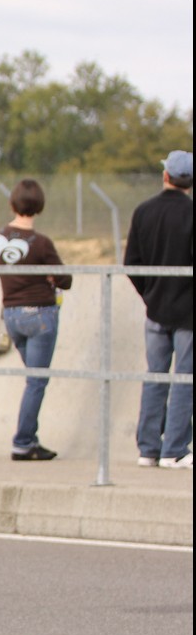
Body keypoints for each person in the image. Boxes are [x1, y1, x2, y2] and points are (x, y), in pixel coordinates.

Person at [124, 150, 193, 470]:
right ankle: (174, 450)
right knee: (185, 380)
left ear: (165, 176)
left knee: (154, 377)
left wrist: (149, 294)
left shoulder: (143, 211)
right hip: (188, 315)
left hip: (155, 310)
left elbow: (132, 264)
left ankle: (148, 448)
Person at [0, 179, 72, 461]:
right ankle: (23, 441)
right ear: (39, 206)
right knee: (36, 382)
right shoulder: (41, 244)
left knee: (33, 380)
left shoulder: (1, 238)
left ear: (12, 203)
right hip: (40, 314)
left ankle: (30, 438)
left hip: (12, 315)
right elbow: (66, 278)